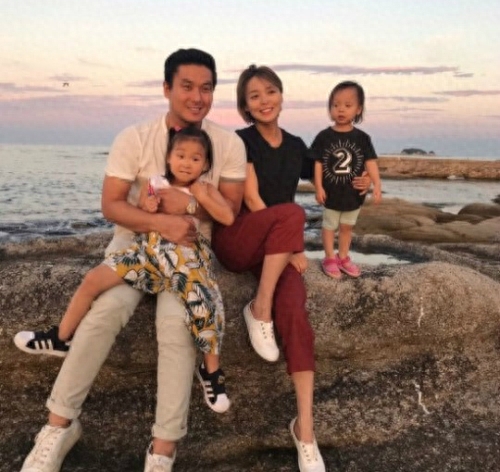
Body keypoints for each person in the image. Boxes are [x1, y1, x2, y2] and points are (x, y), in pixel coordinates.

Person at [18, 48, 246, 472]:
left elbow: (230, 211)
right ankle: (58, 426)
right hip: (134, 250)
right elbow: (112, 205)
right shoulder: (135, 138)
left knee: (176, 327)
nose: (198, 97)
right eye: (187, 86)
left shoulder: (228, 144)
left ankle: (163, 450)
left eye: (207, 88)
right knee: (104, 312)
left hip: (187, 259)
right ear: (166, 88)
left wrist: (187, 207)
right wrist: (160, 222)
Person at [212, 64, 367, 472]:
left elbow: (328, 171)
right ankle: (259, 308)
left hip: (276, 249)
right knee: (292, 213)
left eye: (270, 92)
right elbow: (252, 199)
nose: (264, 101)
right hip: (241, 238)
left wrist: (363, 181)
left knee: (297, 313)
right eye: (254, 96)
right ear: (245, 106)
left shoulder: (298, 145)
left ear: (281, 95)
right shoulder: (240, 140)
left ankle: (305, 430)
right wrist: (290, 240)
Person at [14, 126, 234, 414]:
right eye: (180, 155)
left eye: (195, 158)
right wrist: (149, 204)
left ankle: (211, 372)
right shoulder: (155, 182)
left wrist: (199, 200)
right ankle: (61, 337)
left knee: (205, 303)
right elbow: (141, 213)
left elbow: (227, 217)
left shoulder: (205, 188)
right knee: (94, 279)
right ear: (169, 157)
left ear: (205, 164)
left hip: (185, 258)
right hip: (149, 254)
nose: (186, 163)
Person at [310, 80, 381, 280]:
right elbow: (317, 163)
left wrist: (376, 184)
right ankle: (329, 258)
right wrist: (318, 187)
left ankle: (343, 257)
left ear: (358, 110)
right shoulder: (324, 137)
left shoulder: (362, 138)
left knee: (347, 227)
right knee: (329, 226)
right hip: (331, 194)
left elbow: (370, 163)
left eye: (347, 105)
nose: (341, 109)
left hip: (353, 194)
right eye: (335, 105)